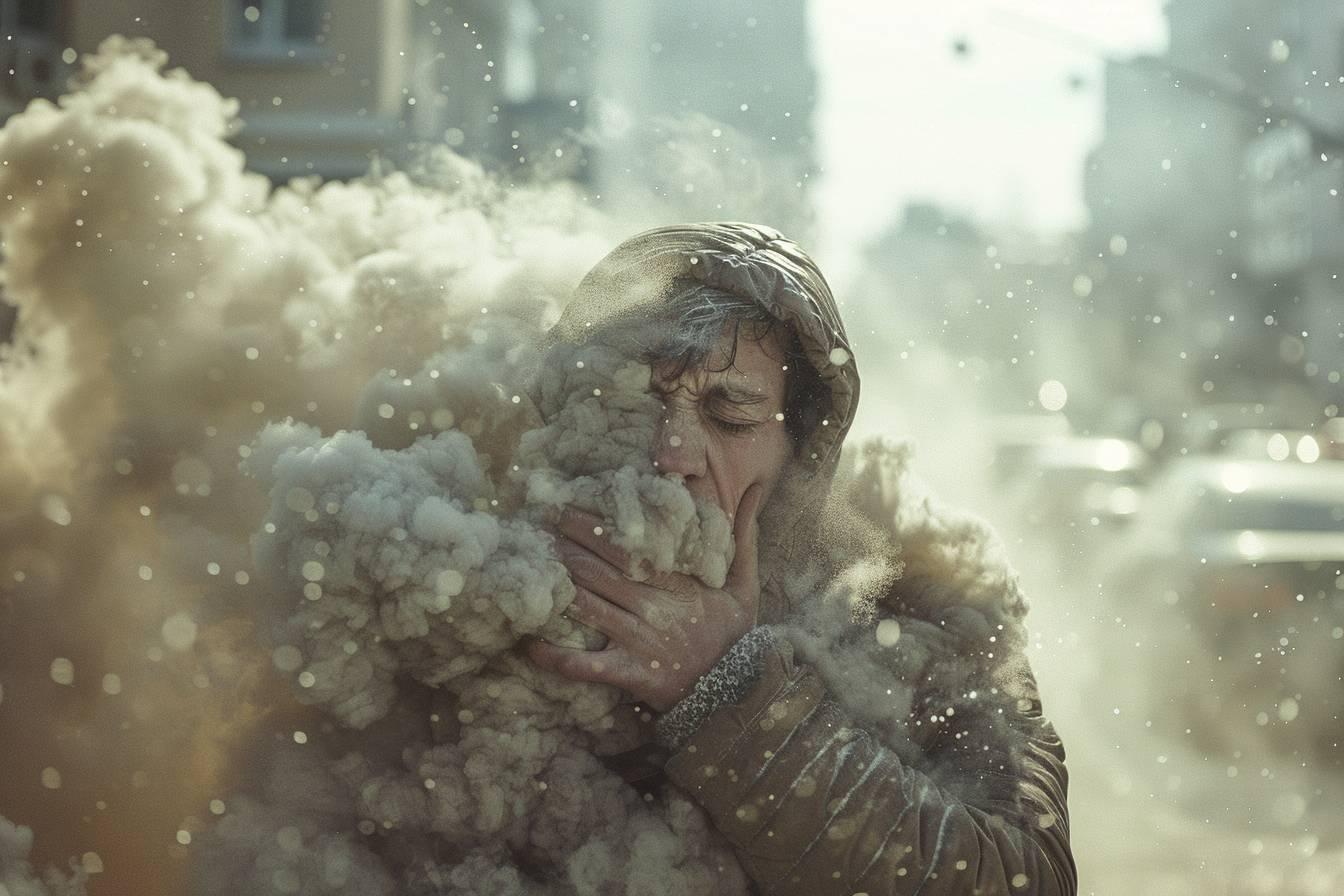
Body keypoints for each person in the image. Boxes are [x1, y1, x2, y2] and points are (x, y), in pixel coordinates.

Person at [526, 222, 1076, 894]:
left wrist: (728, 689)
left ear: (802, 445)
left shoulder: (925, 593)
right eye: (640, 403)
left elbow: (1023, 877)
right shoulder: (490, 570)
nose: (671, 453)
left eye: (729, 416)